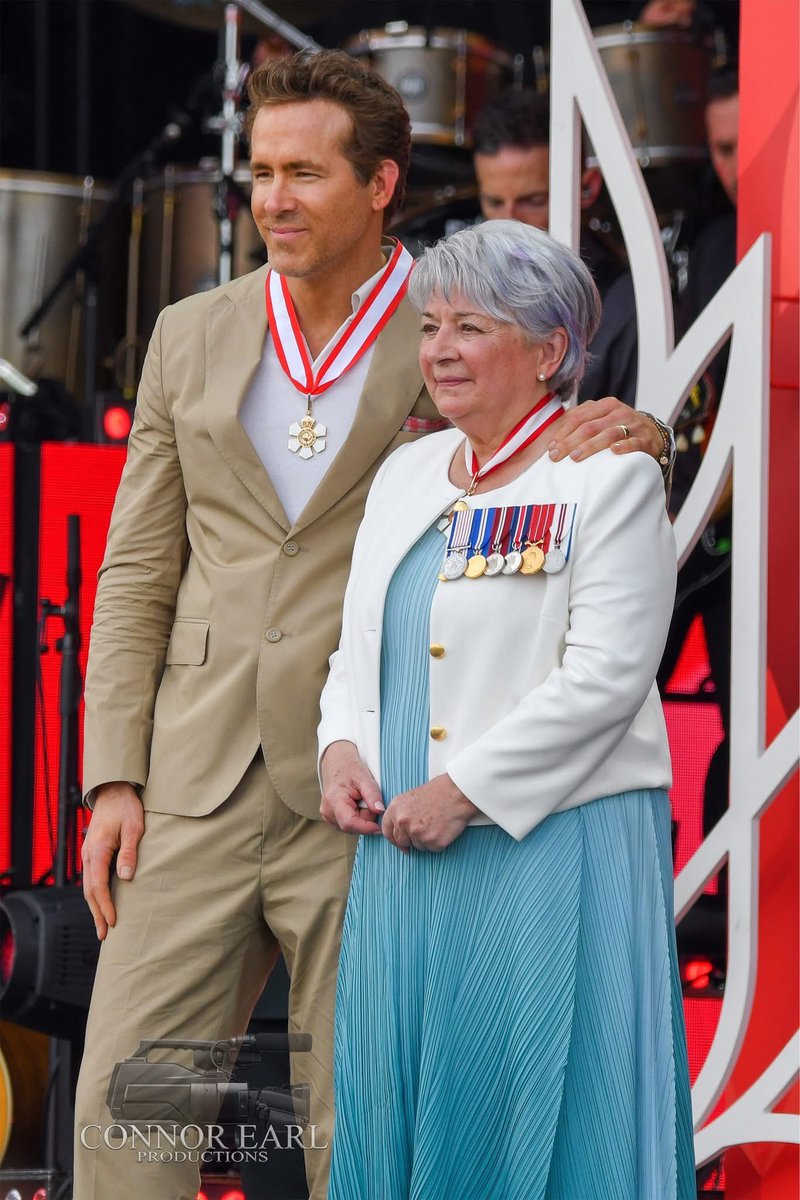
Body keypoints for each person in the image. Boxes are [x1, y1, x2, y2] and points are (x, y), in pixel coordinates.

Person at [74, 51, 672, 1200]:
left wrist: (632, 426)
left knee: (364, 1115)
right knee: (130, 1104)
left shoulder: (455, 323)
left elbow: (540, 424)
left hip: (372, 779)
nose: (274, 200)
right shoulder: (188, 333)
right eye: (259, 173)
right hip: (193, 778)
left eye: (305, 172)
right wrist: (112, 774)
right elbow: (137, 568)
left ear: (382, 183)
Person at [319, 220, 695, 1200]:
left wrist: (462, 791)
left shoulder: (606, 479)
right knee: (395, 1101)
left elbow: (607, 678)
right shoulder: (404, 475)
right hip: (401, 850)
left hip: (545, 846)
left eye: (469, 327)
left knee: (540, 1117)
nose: (438, 349)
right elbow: (359, 649)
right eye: (429, 325)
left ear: (549, 351)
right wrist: (341, 750)